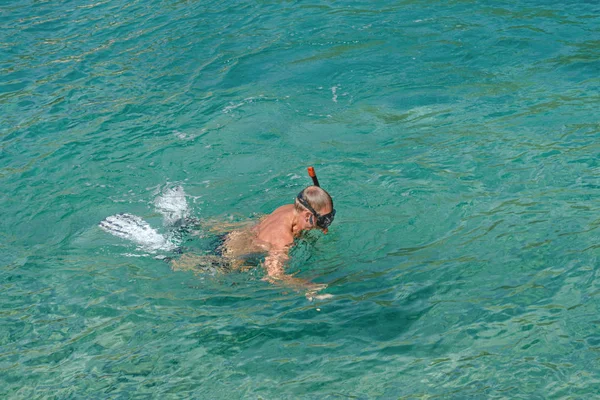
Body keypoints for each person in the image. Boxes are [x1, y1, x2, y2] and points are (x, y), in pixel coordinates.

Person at [171, 185, 336, 294]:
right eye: (325, 220)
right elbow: (274, 276)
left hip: (233, 236)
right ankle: (175, 258)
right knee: (207, 278)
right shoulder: (283, 239)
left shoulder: (288, 209)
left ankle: (191, 224)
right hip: (229, 260)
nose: (326, 224)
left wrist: (317, 224)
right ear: (308, 216)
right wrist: (307, 287)